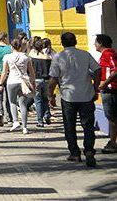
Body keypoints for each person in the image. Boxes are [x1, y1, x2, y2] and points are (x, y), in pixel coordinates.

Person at [48, 32, 101, 167]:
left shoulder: (58, 57)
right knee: (88, 126)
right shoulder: (85, 54)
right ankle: (89, 151)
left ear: (62, 43)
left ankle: (75, 153)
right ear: (76, 41)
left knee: (69, 126)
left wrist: (50, 95)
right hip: (86, 95)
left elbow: (53, 79)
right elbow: (97, 70)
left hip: (68, 97)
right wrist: (95, 87)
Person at [0, 38, 35, 134]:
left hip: (11, 81)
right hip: (23, 82)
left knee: (12, 102)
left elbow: (4, 72)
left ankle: (15, 121)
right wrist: (32, 82)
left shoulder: (7, 57)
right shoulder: (26, 57)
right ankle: (25, 127)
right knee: (23, 104)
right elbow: (31, 72)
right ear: (20, 47)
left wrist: (1, 83)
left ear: (11, 47)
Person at [95, 34, 117, 153]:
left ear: (101, 43)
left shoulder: (108, 54)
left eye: (96, 42)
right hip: (107, 89)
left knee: (112, 117)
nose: (94, 44)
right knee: (111, 117)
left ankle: (113, 142)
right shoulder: (105, 55)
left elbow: (115, 69)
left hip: (110, 90)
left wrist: (105, 83)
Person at [28, 38, 53, 127]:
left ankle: (40, 121)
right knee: (45, 99)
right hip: (46, 80)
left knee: (37, 100)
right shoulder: (48, 57)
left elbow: (30, 70)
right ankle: (47, 114)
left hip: (36, 80)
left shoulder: (32, 56)